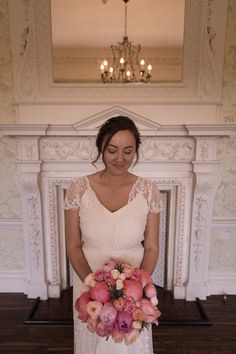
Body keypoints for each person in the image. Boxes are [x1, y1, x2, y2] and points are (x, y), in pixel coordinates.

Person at [64, 116, 161, 354]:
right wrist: (93, 285)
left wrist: (136, 288)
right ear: (101, 149)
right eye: (112, 150)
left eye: (128, 151)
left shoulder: (148, 190)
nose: (120, 159)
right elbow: (73, 246)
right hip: (89, 281)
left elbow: (151, 248)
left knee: (129, 342)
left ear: (136, 151)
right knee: (93, 341)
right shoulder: (78, 189)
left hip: (133, 286)